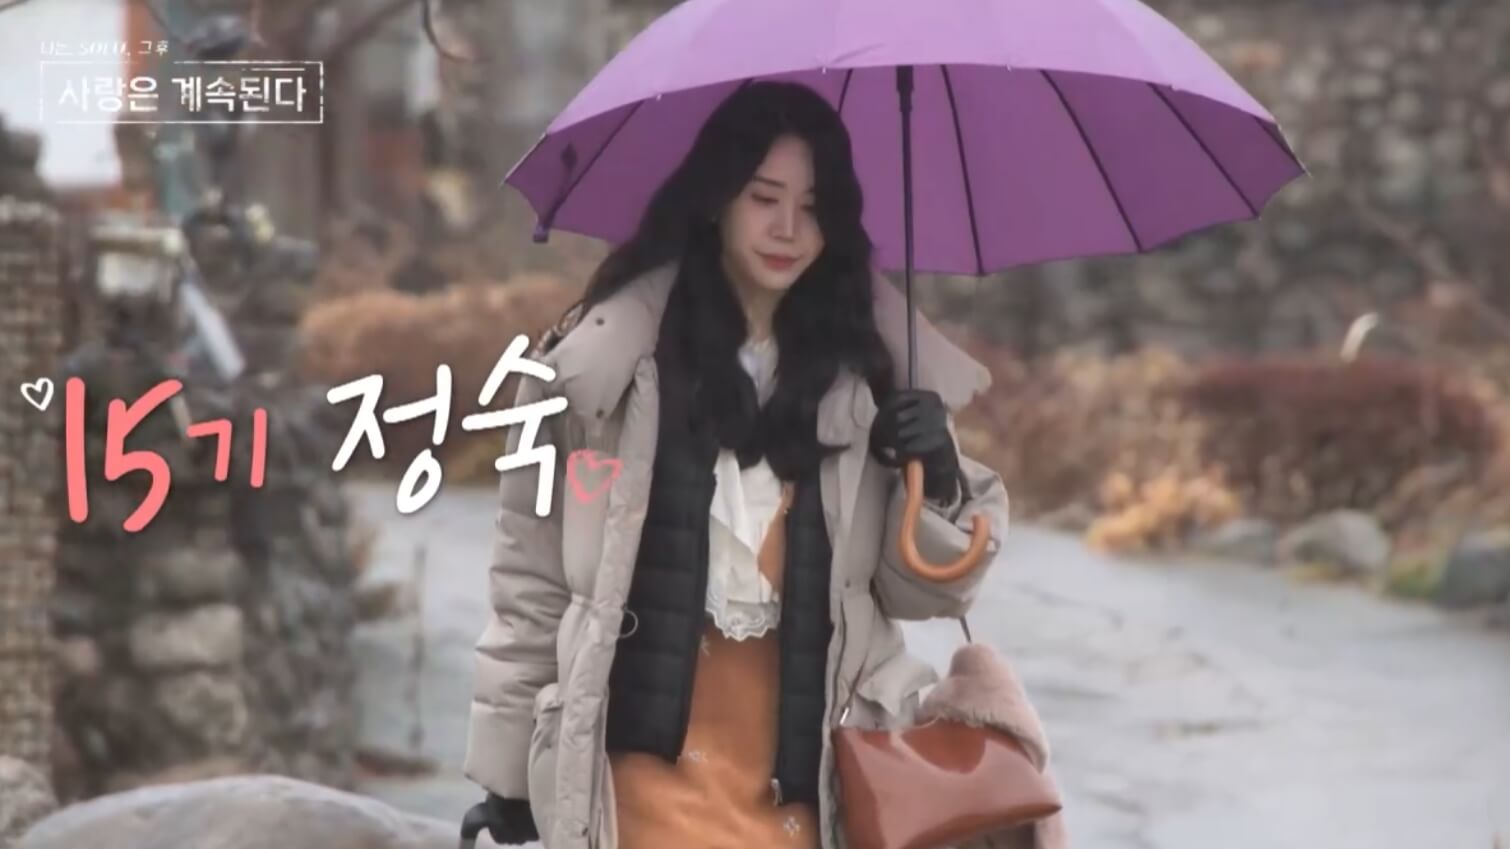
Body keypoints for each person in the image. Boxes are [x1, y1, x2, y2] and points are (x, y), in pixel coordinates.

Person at [460, 80, 1011, 849]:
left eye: (812, 205)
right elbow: (533, 579)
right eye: (764, 197)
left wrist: (937, 474)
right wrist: (509, 774)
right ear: (716, 198)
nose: (788, 228)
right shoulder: (602, 374)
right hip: (637, 790)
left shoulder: (872, 378)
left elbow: (923, 592)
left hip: (812, 790)